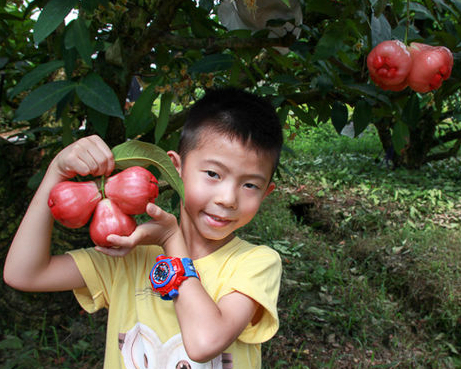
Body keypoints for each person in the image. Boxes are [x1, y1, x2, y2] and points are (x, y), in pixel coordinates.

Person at [4, 87, 284, 369]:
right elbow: (24, 273)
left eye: (250, 185)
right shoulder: (129, 256)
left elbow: (204, 342)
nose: (228, 199)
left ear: (266, 192)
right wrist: (56, 172)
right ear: (176, 167)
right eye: (213, 174)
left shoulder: (256, 264)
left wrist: (172, 239)